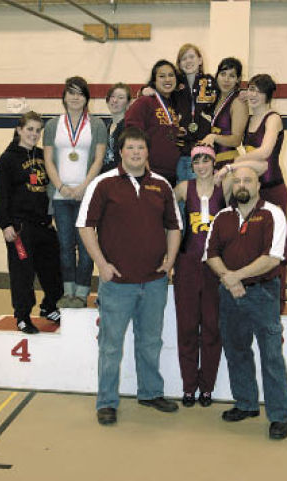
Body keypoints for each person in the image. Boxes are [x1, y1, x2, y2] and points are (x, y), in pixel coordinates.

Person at [77, 126, 182, 425]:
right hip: (117, 284)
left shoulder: (161, 185)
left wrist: (170, 260)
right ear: (121, 152)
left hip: (154, 282)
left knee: (150, 341)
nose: (136, 153)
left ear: (148, 152)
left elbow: (174, 226)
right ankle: (106, 402)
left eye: (141, 148)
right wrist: (102, 264)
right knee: (110, 346)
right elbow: (85, 226)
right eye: (130, 148)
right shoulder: (104, 183)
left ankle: (150, 393)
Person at [204, 166, 287, 440]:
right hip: (230, 295)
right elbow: (211, 253)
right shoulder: (222, 217)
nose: (242, 184)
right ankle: (246, 404)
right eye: (237, 180)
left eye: (248, 180)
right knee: (236, 350)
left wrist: (234, 277)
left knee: (271, 356)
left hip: (263, 293)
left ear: (257, 185)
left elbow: (273, 258)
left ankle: (279, 416)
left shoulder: (273, 214)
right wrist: (229, 280)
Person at [215, 74, 287, 310]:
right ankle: (247, 294)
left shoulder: (273, 118)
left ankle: (276, 301)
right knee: (248, 245)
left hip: (272, 189)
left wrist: (232, 165)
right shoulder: (248, 117)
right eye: (251, 90)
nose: (253, 94)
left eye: (258, 90)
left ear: (268, 94)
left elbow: (266, 151)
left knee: (274, 247)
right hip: (252, 194)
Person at [0, 111, 63, 334]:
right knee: (23, 275)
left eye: (37, 130)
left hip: (44, 225)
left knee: (53, 271)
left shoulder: (43, 156)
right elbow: (1, 195)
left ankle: (49, 306)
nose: (34, 134)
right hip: (20, 228)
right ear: (19, 130)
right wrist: (5, 224)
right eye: (30, 129)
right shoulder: (7, 159)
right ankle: (22, 316)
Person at [43, 76, 107, 308]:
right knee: (65, 246)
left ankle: (82, 293)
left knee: (87, 247)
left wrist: (83, 187)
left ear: (86, 97)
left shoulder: (97, 125)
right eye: (71, 92)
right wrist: (60, 186)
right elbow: (48, 159)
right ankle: (68, 292)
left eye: (80, 93)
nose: (75, 97)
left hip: (86, 195)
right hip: (60, 196)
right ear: (64, 97)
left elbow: (98, 159)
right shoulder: (52, 125)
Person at [173, 145, 227, 408]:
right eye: (197, 161)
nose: (202, 166)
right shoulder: (184, 188)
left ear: (213, 163)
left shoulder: (224, 188)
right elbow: (165, 215)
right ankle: (188, 386)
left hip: (215, 267)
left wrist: (227, 169)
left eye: (206, 161)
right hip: (187, 263)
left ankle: (207, 387)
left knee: (212, 328)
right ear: (191, 164)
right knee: (186, 327)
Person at [125, 59, 181, 187]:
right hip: (149, 172)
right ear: (154, 81)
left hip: (173, 174)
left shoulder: (175, 104)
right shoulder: (144, 102)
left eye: (171, 75)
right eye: (162, 76)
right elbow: (132, 133)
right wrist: (142, 164)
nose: (167, 79)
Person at [174, 43, 217, 182]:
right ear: (179, 64)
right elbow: (155, 84)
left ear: (200, 60)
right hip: (179, 152)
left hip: (203, 153)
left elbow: (227, 95)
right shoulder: (174, 85)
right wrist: (144, 90)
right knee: (180, 198)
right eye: (184, 58)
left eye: (191, 56)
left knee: (200, 198)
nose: (188, 61)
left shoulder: (210, 82)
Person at [201, 57, 248, 168]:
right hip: (209, 162)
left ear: (238, 79)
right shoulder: (214, 98)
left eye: (232, 76)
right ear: (217, 76)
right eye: (223, 74)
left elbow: (236, 140)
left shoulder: (238, 102)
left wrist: (214, 137)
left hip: (228, 163)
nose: (226, 80)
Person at [101, 82, 131, 173]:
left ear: (128, 103)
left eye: (121, 98)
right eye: (112, 97)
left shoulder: (129, 127)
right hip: (103, 177)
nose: (115, 100)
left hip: (121, 178)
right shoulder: (104, 125)